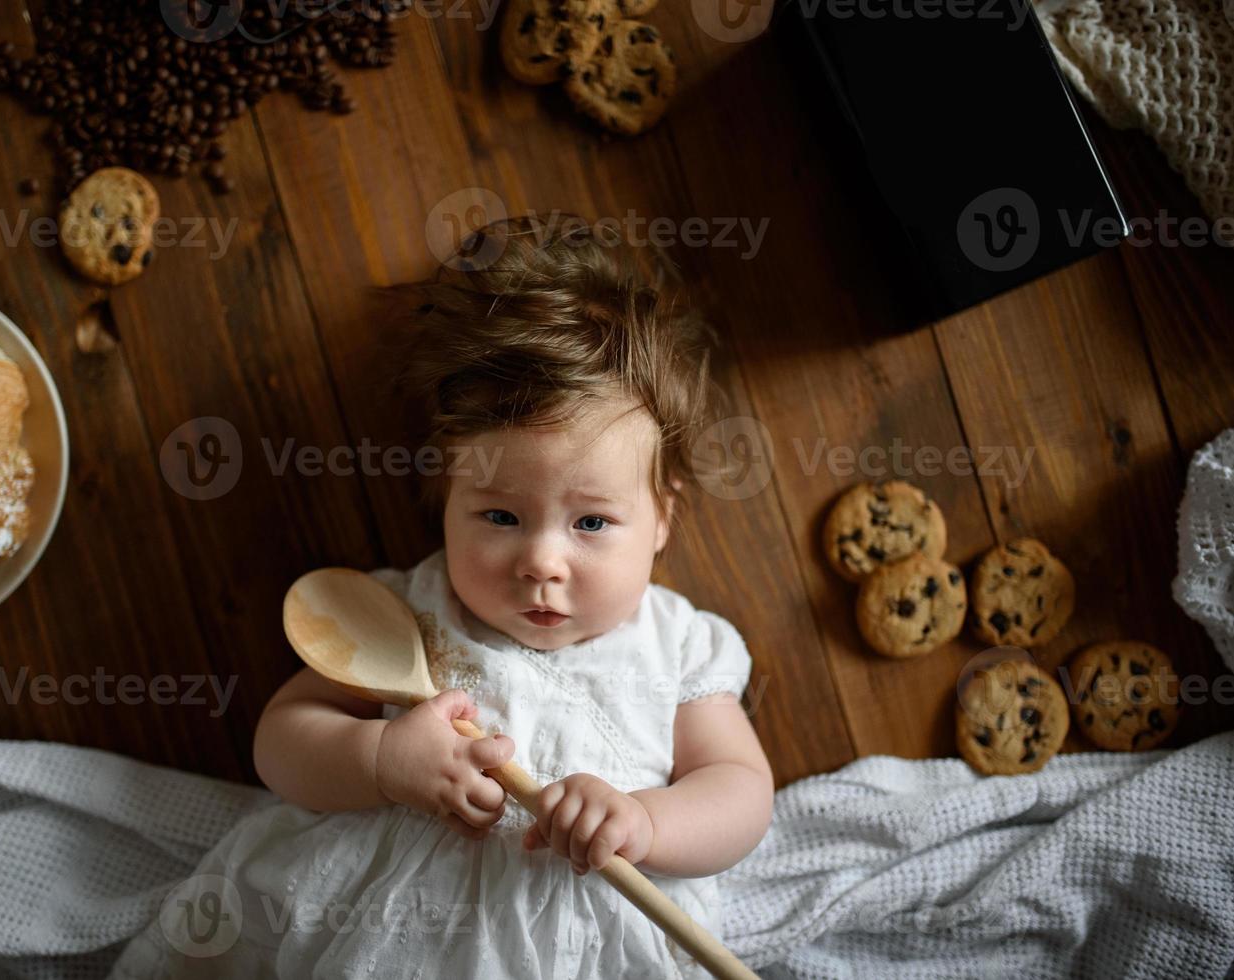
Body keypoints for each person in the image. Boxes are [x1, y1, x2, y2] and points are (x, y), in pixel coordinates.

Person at [108, 214, 775, 979]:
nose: (541, 562)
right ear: (445, 498)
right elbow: (281, 739)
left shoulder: (679, 646)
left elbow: (742, 792)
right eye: (499, 516)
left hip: (587, 942)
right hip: (382, 933)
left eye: (592, 521)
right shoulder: (403, 620)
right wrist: (381, 758)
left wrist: (645, 822)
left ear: (663, 517)